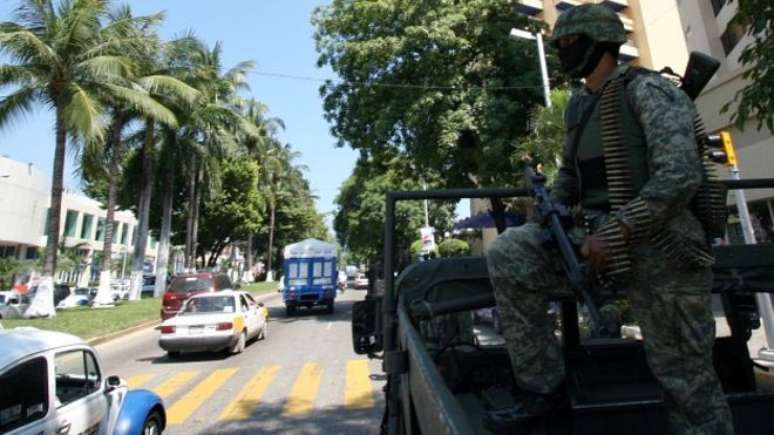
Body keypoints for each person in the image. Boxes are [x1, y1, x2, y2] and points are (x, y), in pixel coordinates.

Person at [484, 4, 733, 434]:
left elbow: (680, 175)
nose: (562, 51)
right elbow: (570, 177)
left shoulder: (649, 91)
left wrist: (620, 228)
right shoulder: (580, 106)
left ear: (599, 43)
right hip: (594, 241)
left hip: (661, 246)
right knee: (510, 253)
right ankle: (544, 393)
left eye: (567, 43)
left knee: (685, 381)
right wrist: (549, 213)